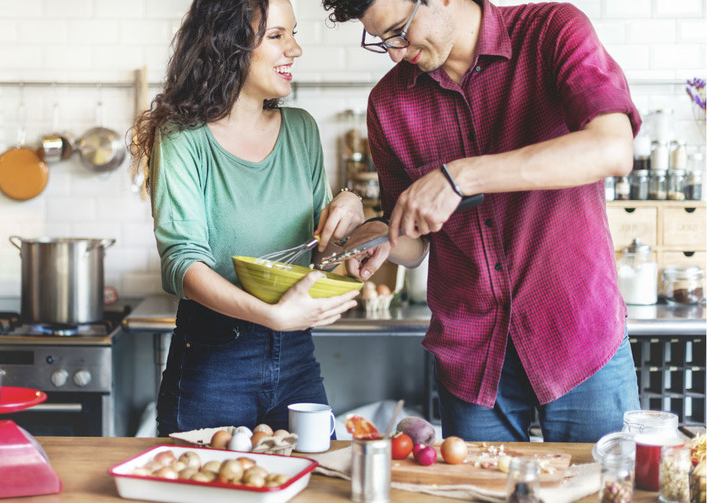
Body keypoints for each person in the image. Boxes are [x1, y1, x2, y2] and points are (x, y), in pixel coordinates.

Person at [321, 0, 642, 442]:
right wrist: (378, 233)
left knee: (606, 490)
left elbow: (612, 149)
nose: (395, 53)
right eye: (381, 41)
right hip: (473, 359)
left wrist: (461, 176)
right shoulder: (389, 103)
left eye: (399, 30)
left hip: (579, 338)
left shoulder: (552, 31)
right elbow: (415, 242)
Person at [130, 0, 364, 436]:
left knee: (316, 485)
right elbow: (181, 261)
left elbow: (325, 251)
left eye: (293, 35)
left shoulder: (302, 131)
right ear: (227, 45)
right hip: (214, 356)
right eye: (276, 36)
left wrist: (350, 207)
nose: (294, 50)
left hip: (295, 354)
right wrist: (269, 315)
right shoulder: (183, 138)